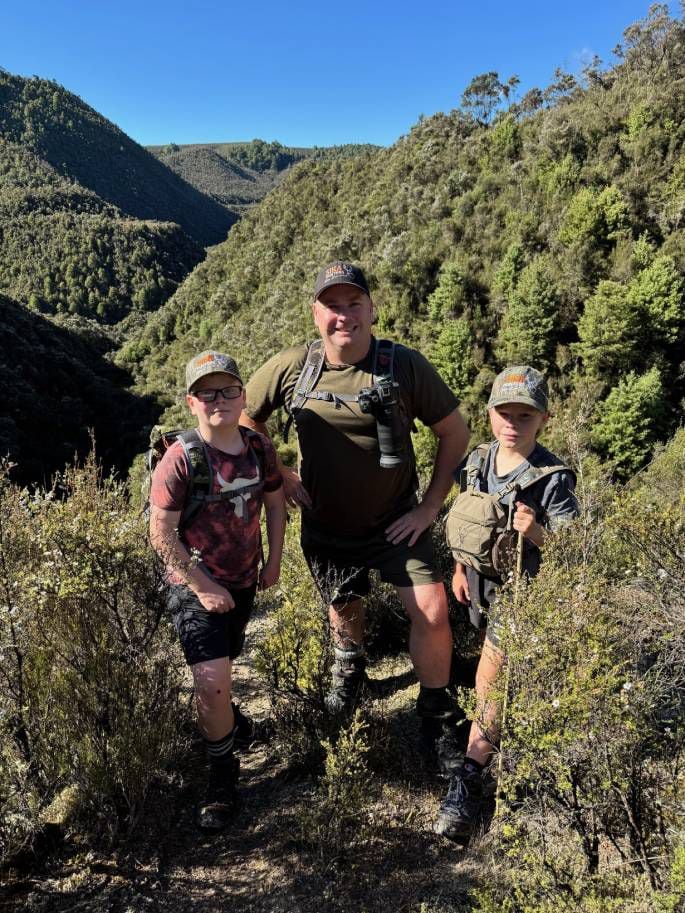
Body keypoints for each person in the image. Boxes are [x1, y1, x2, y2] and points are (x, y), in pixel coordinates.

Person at [241, 261, 470, 782]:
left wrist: (430, 507)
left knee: (431, 610)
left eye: (354, 304)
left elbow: (454, 433)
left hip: (396, 523)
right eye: (332, 306)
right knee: (343, 603)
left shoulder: (403, 366)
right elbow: (246, 419)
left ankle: (434, 708)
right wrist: (279, 471)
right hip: (326, 524)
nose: (343, 316)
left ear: (371, 310)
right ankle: (351, 667)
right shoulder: (293, 366)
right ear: (315, 313)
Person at [435, 365, 579, 844]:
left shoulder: (552, 478)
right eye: (504, 412)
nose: (512, 423)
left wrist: (534, 531)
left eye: (525, 415)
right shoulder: (477, 461)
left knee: (489, 683)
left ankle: (469, 781)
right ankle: (507, 750)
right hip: (480, 587)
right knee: (500, 680)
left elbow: (574, 552)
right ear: (491, 413)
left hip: (526, 595)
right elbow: (466, 519)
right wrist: (459, 569)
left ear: (543, 420)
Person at [149, 351, 286, 832]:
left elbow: (274, 503)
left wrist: (274, 560)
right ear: (192, 402)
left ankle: (231, 726)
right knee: (210, 682)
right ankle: (222, 774)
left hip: (244, 579)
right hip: (192, 585)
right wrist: (203, 587)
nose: (219, 400)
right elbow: (160, 535)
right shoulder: (180, 460)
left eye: (228, 390)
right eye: (207, 393)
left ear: (244, 395)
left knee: (225, 667)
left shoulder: (257, 447)